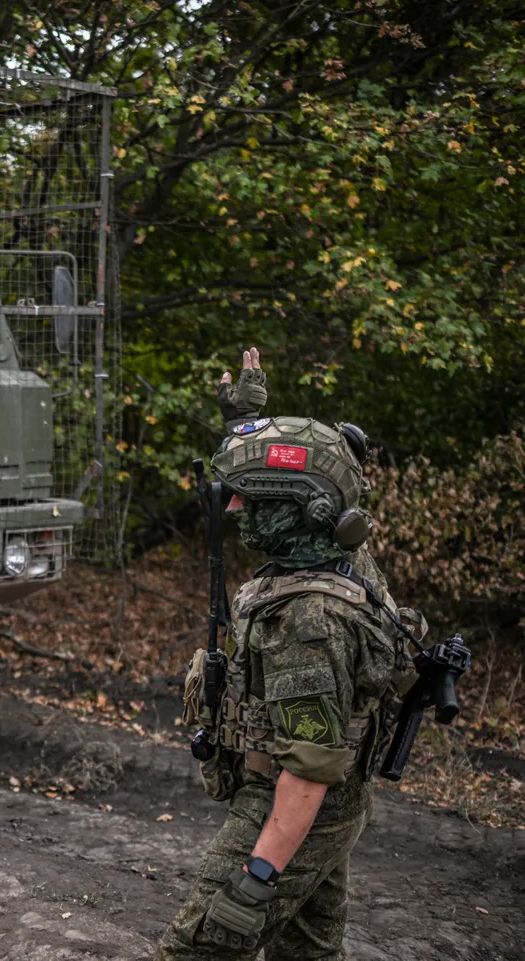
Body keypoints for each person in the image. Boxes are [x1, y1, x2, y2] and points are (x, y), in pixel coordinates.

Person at [156, 348, 422, 960]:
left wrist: (254, 882)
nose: (233, 509)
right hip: (334, 805)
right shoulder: (335, 551)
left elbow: (308, 770)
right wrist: (245, 424)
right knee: (308, 951)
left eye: (252, 500)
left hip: (293, 807)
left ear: (305, 510)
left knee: (194, 949)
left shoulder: (309, 620)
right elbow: (323, 465)